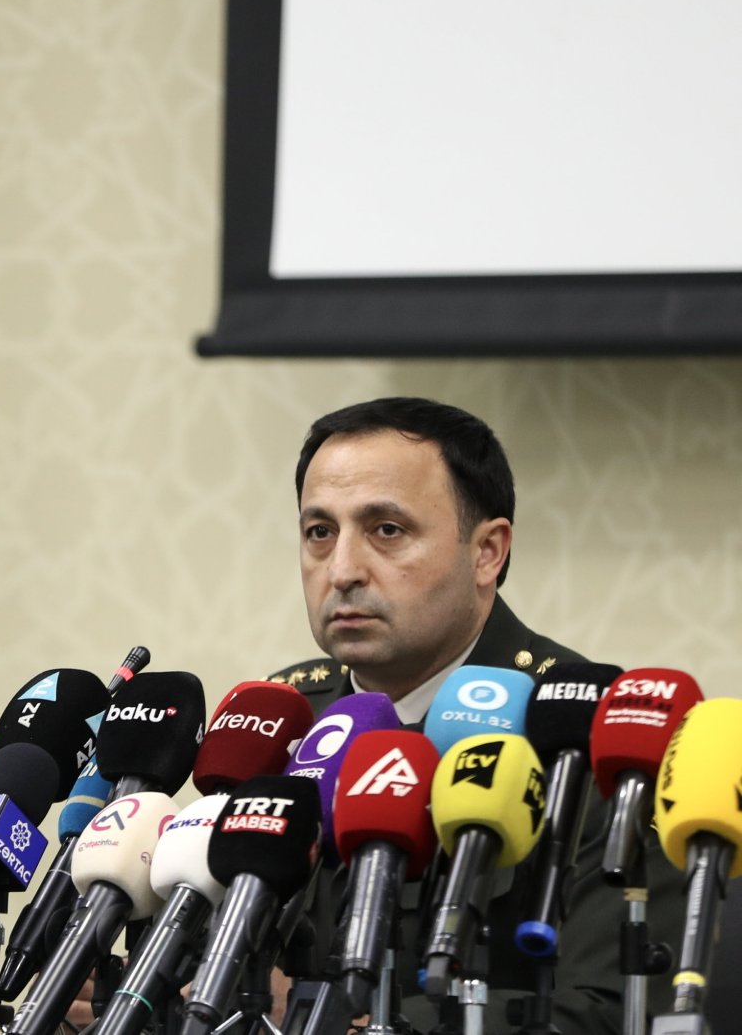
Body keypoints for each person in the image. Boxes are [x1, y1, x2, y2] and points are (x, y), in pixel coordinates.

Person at [263, 397, 682, 1033]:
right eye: (320, 532)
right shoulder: (285, 721)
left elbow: (611, 1008)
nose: (342, 570)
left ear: (487, 552)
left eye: (386, 530)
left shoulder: (597, 736)